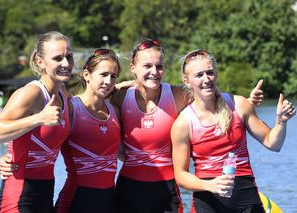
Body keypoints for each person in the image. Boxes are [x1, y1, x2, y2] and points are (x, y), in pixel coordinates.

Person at [110, 39, 264, 213]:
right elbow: (95, 99)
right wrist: (114, 87)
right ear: (133, 68)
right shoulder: (120, 97)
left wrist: (247, 103)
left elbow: (211, 96)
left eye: (159, 67)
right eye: (147, 66)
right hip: (129, 189)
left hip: (168, 191)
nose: (154, 72)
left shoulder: (178, 95)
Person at [170, 49, 296, 213]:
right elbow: (180, 176)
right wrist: (210, 185)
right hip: (207, 202)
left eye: (210, 73)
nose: (206, 79)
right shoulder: (183, 123)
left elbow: (273, 143)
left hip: (246, 198)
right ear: (187, 81)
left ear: (216, 74)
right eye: (199, 75)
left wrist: (281, 121)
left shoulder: (239, 105)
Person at [0, 31, 74, 212]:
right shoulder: (31, 93)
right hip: (19, 196)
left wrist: (119, 87)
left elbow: (86, 102)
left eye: (69, 56)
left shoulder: (63, 93)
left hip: (45, 193)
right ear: (40, 62)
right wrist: (38, 118)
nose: (66, 63)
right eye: (58, 58)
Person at [55, 48, 122, 213]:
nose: (108, 81)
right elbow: (44, 143)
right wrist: (9, 158)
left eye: (113, 76)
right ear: (86, 74)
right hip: (76, 200)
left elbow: (123, 152)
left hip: (108, 200)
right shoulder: (71, 108)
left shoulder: (114, 110)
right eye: (103, 74)